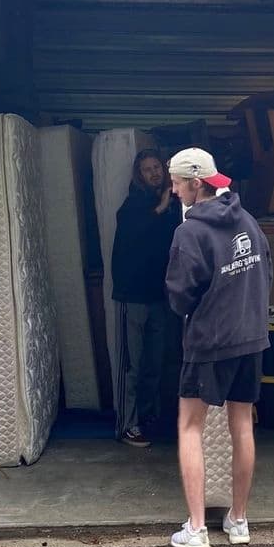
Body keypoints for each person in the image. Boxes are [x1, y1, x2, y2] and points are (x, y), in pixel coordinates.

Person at [164, 148, 272, 547]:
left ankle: (196, 529)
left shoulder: (190, 232)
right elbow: (268, 269)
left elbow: (179, 296)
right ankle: (238, 519)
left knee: (189, 426)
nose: (173, 190)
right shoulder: (248, 220)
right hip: (250, 338)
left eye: (176, 183)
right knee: (241, 424)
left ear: (196, 183)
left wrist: (199, 313)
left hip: (209, 342)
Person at [111, 148, 180, 447]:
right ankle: (126, 426)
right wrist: (160, 208)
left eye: (156, 168)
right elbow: (133, 234)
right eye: (147, 169)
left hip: (158, 297)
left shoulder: (170, 205)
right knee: (131, 366)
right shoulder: (133, 205)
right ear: (139, 175)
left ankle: (148, 418)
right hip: (133, 296)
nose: (153, 173)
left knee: (155, 362)